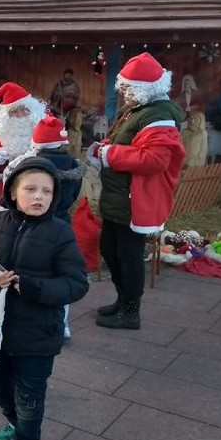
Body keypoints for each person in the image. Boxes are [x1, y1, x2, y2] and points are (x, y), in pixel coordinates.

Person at [0, 156, 89, 440]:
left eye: (46, 191)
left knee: (30, 396)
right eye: (30, 188)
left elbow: (76, 284)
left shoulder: (60, 232)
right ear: (13, 191)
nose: (38, 197)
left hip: (37, 335)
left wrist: (31, 286)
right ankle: (14, 421)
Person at [87, 52, 185, 329]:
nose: (125, 93)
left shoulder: (159, 116)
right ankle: (123, 300)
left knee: (129, 256)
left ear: (146, 89)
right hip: (121, 197)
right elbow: (126, 141)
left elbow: (155, 160)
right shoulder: (139, 110)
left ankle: (131, 311)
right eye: (125, 88)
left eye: (130, 89)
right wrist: (104, 147)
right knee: (110, 248)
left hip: (135, 199)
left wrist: (111, 154)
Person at [5, 112, 84, 341]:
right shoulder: (73, 166)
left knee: (32, 272)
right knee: (60, 275)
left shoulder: (33, 167)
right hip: (62, 224)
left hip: (35, 227)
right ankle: (63, 324)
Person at [0, 83, 45, 203]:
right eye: (14, 112)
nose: (20, 115)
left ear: (32, 109)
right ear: (6, 115)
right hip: (10, 188)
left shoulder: (43, 123)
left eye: (24, 109)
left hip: (39, 185)